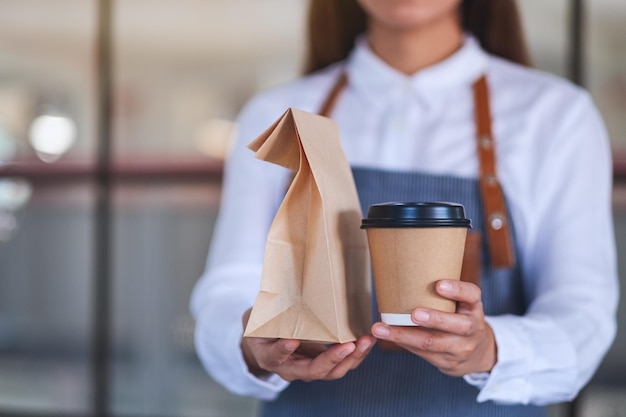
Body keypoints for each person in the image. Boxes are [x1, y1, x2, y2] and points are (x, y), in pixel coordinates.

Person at [190, 0, 619, 416]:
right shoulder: (280, 115)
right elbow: (229, 287)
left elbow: (582, 314)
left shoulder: (555, 115)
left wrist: (490, 347)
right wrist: (253, 344)